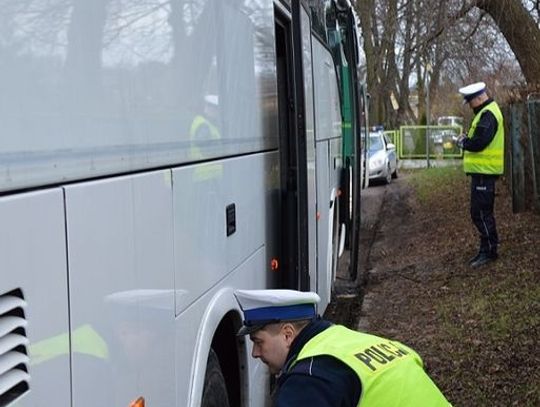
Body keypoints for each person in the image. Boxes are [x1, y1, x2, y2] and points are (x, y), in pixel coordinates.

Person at [234, 289, 451, 406]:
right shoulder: (347, 340)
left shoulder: (309, 379)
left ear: (288, 334)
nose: (255, 353)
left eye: (258, 341)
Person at [456, 82, 504, 268]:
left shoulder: (488, 114)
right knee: (481, 213)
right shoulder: (486, 113)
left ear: (478, 98)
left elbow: (479, 142)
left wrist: (464, 142)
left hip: (485, 173)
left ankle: (490, 251)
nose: (470, 106)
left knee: (481, 213)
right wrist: (468, 139)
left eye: (470, 102)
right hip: (482, 173)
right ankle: (487, 248)